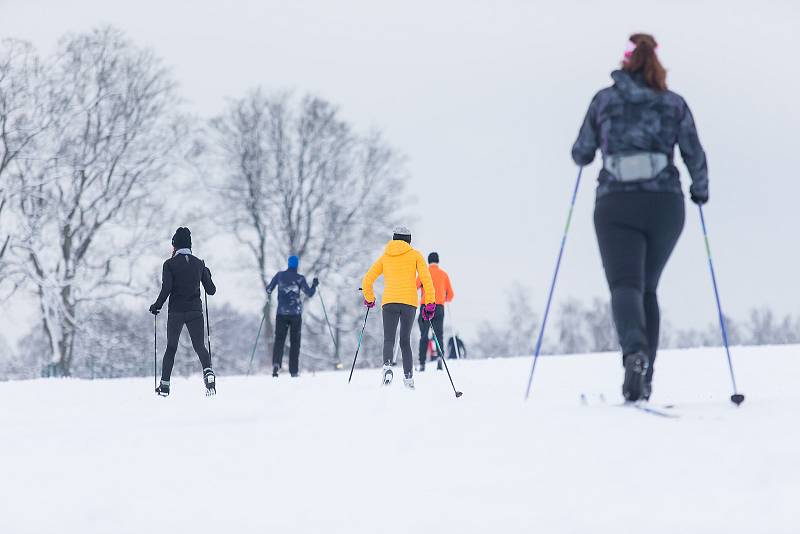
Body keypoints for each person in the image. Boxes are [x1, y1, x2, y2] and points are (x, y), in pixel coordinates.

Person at [571, 33, 708, 401]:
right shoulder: (673, 103)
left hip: (616, 204)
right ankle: (645, 375)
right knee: (647, 288)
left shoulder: (604, 101)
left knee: (625, 286)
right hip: (665, 204)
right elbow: (694, 152)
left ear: (625, 64)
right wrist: (701, 189)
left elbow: (581, 152)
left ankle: (633, 354)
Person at [362, 226, 435, 389]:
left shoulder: (385, 257)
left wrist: (370, 298)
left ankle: (387, 368)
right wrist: (429, 303)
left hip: (389, 302)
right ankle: (408, 378)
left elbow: (367, 280)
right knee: (405, 341)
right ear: (409, 240)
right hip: (409, 303)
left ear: (394, 239)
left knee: (389, 339)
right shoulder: (415, 255)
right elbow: (426, 280)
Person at [149, 227, 217, 397]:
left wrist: (157, 305)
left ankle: (164, 386)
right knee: (200, 346)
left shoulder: (169, 264)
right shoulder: (199, 263)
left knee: (171, 348)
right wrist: (207, 273)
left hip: (176, 312)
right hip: (195, 311)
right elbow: (211, 290)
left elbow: (167, 288)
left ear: (175, 246)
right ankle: (208, 372)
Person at [266, 255, 318, 377]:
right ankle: (293, 371)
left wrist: (270, 294)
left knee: (279, 340)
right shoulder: (300, 278)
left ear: (288, 264)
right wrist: (314, 285)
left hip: (281, 313)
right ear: (297, 265)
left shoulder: (279, 275)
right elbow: (309, 294)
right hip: (295, 314)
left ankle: (276, 365)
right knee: (295, 342)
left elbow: (269, 289)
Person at [417, 252, 455, 371]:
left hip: (425, 307)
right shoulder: (443, 274)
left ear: (428, 261)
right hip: (439, 307)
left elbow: (414, 287)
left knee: (424, 335)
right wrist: (444, 299)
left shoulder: (424, 273)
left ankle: (422, 363)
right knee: (439, 334)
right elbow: (451, 295)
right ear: (438, 261)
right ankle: (440, 358)